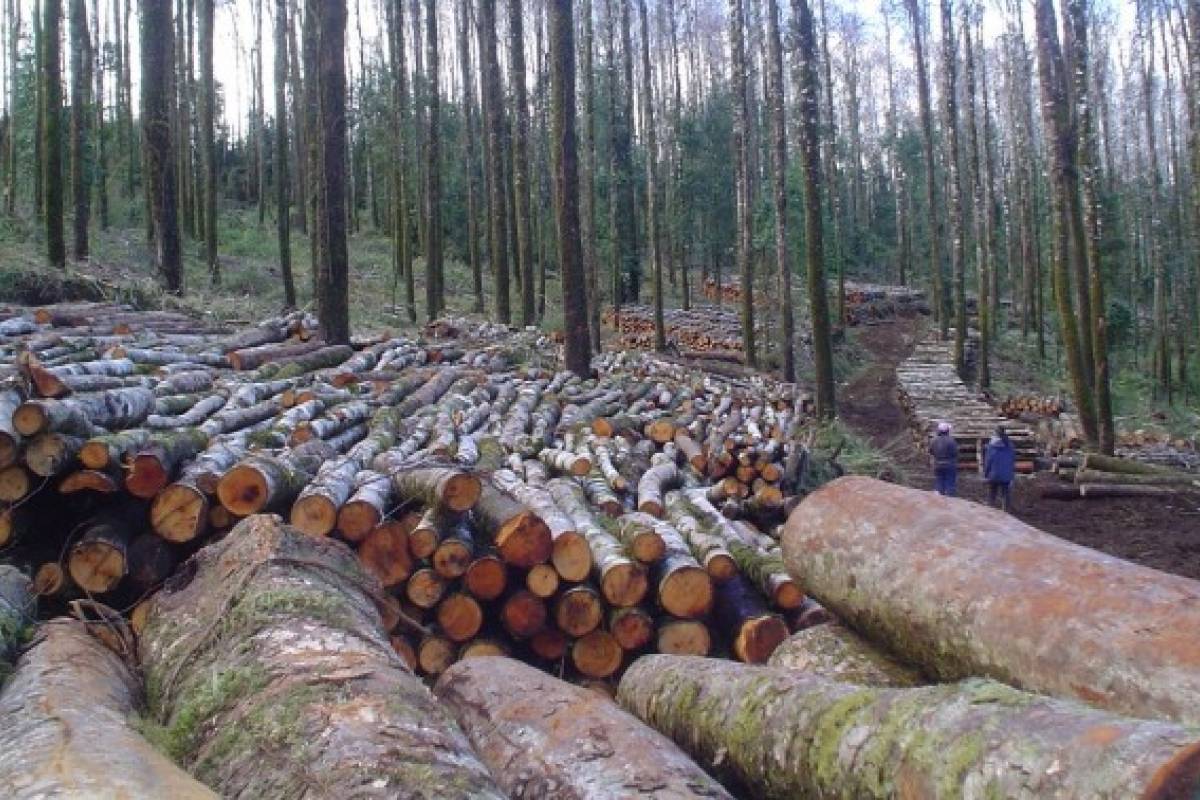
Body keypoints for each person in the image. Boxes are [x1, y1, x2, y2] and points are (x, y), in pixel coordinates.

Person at [984, 424, 1016, 511]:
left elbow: (988, 461)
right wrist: (1012, 474)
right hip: (1006, 475)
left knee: (992, 494)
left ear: (995, 433)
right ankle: (1006, 511)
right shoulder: (1010, 446)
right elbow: (1012, 460)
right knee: (1005, 495)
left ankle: (990, 510)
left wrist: (986, 474)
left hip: (994, 474)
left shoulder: (991, 446)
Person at [929, 421, 959, 497]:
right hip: (949, 464)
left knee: (939, 481)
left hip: (937, 464)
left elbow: (931, 451)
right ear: (947, 431)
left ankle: (939, 501)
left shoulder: (934, 440)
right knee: (950, 483)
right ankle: (950, 501)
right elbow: (955, 453)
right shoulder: (951, 441)